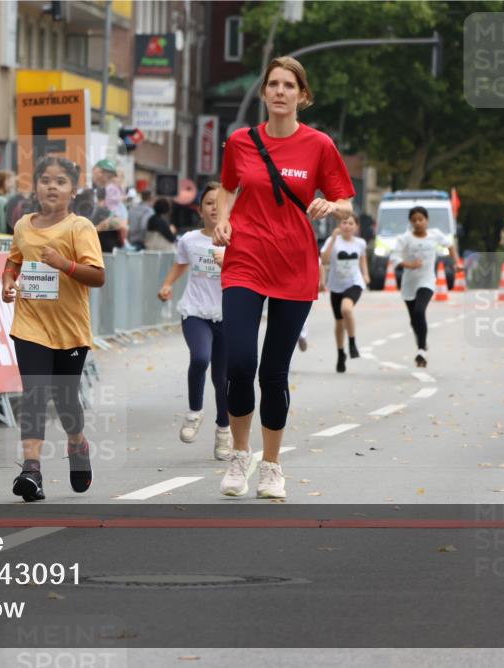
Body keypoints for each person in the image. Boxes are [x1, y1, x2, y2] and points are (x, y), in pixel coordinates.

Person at [213, 56, 355, 499]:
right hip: (245, 261)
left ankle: (271, 465)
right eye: (272, 84)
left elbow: (346, 202)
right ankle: (240, 455)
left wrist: (330, 207)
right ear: (264, 93)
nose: (279, 91)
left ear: (302, 96)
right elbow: (227, 187)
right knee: (239, 363)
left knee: (274, 372)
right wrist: (222, 219)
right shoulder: (240, 141)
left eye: (288, 85)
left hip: (295, 265)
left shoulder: (318, 145)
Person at [2, 155, 105, 502]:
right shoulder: (23, 226)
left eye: (60, 181)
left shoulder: (80, 228)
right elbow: (13, 261)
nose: (51, 186)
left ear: (73, 191)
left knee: (65, 400)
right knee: (33, 394)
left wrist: (64, 264)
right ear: (36, 186)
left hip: (70, 328)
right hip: (30, 323)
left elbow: (98, 276)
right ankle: (31, 469)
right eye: (45, 180)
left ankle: (77, 443)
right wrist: (7, 282)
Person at [157, 181, 232, 459]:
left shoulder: (237, 239)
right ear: (200, 210)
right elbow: (180, 266)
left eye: (219, 203)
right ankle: (194, 412)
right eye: (209, 203)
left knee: (223, 378)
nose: (215, 208)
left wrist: (229, 264)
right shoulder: (189, 240)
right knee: (200, 358)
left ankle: (223, 432)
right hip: (195, 311)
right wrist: (166, 286)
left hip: (226, 315)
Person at [390, 205, 460, 368]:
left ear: (427, 220)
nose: (418, 223)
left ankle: (421, 350)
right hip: (409, 283)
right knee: (414, 320)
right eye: (414, 220)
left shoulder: (435, 235)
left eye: (421, 219)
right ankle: (422, 342)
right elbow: (395, 259)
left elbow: (449, 244)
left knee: (420, 311)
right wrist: (409, 265)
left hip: (427, 281)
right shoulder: (405, 239)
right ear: (410, 222)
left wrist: (456, 262)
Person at [320, 217, 369, 373]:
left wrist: (366, 275)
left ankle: (352, 343)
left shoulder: (360, 243)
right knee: (339, 323)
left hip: (354, 283)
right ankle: (341, 354)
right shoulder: (332, 241)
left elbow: (362, 260)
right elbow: (324, 260)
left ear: (356, 226)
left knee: (346, 309)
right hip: (336, 286)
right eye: (344, 223)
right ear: (339, 225)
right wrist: (333, 239)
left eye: (350, 223)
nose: (347, 226)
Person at [90, 159, 127, 252]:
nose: (106, 179)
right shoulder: (87, 192)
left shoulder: (106, 190)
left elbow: (120, 222)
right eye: (105, 174)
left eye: (110, 177)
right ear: (96, 171)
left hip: (107, 243)